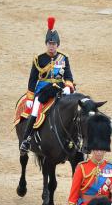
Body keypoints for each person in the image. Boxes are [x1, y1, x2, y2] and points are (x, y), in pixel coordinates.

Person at [20, 17, 75, 152]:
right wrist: (29, 97)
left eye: (54, 43)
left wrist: (68, 86)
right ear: (46, 44)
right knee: (35, 109)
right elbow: (33, 79)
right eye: (49, 43)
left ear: (58, 44)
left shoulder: (63, 58)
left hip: (59, 88)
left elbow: (68, 76)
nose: (52, 46)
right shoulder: (39, 59)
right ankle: (26, 140)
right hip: (43, 90)